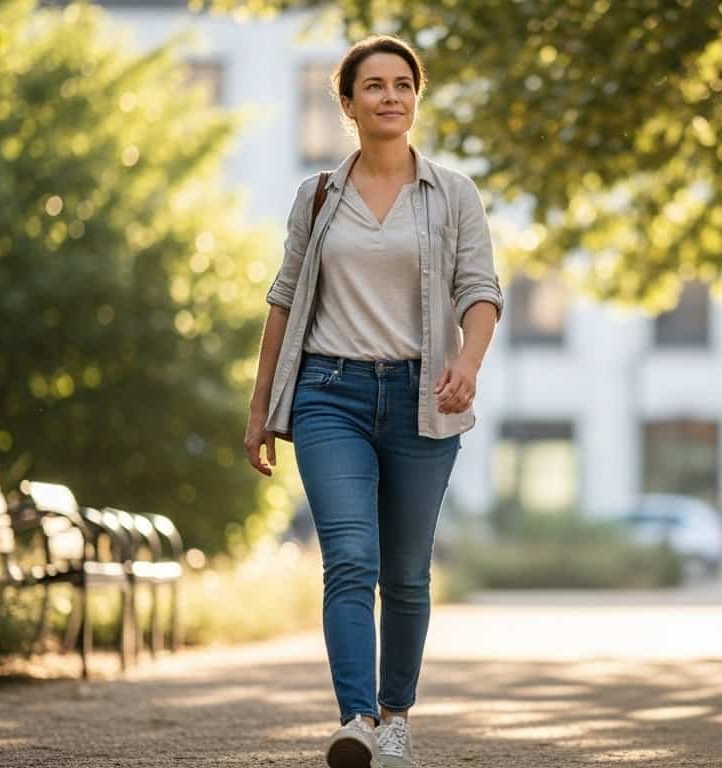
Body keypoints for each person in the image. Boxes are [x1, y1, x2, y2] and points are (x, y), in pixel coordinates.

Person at [243, 35, 503, 768]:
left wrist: (469, 363)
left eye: (402, 85)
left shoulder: (452, 193)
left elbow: (480, 292)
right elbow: (285, 299)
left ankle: (396, 717)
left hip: (425, 395)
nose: (390, 96)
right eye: (374, 86)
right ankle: (356, 718)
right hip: (331, 394)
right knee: (350, 558)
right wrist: (260, 406)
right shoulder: (318, 195)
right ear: (349, 104)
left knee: (408, 572)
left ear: (416, 98)